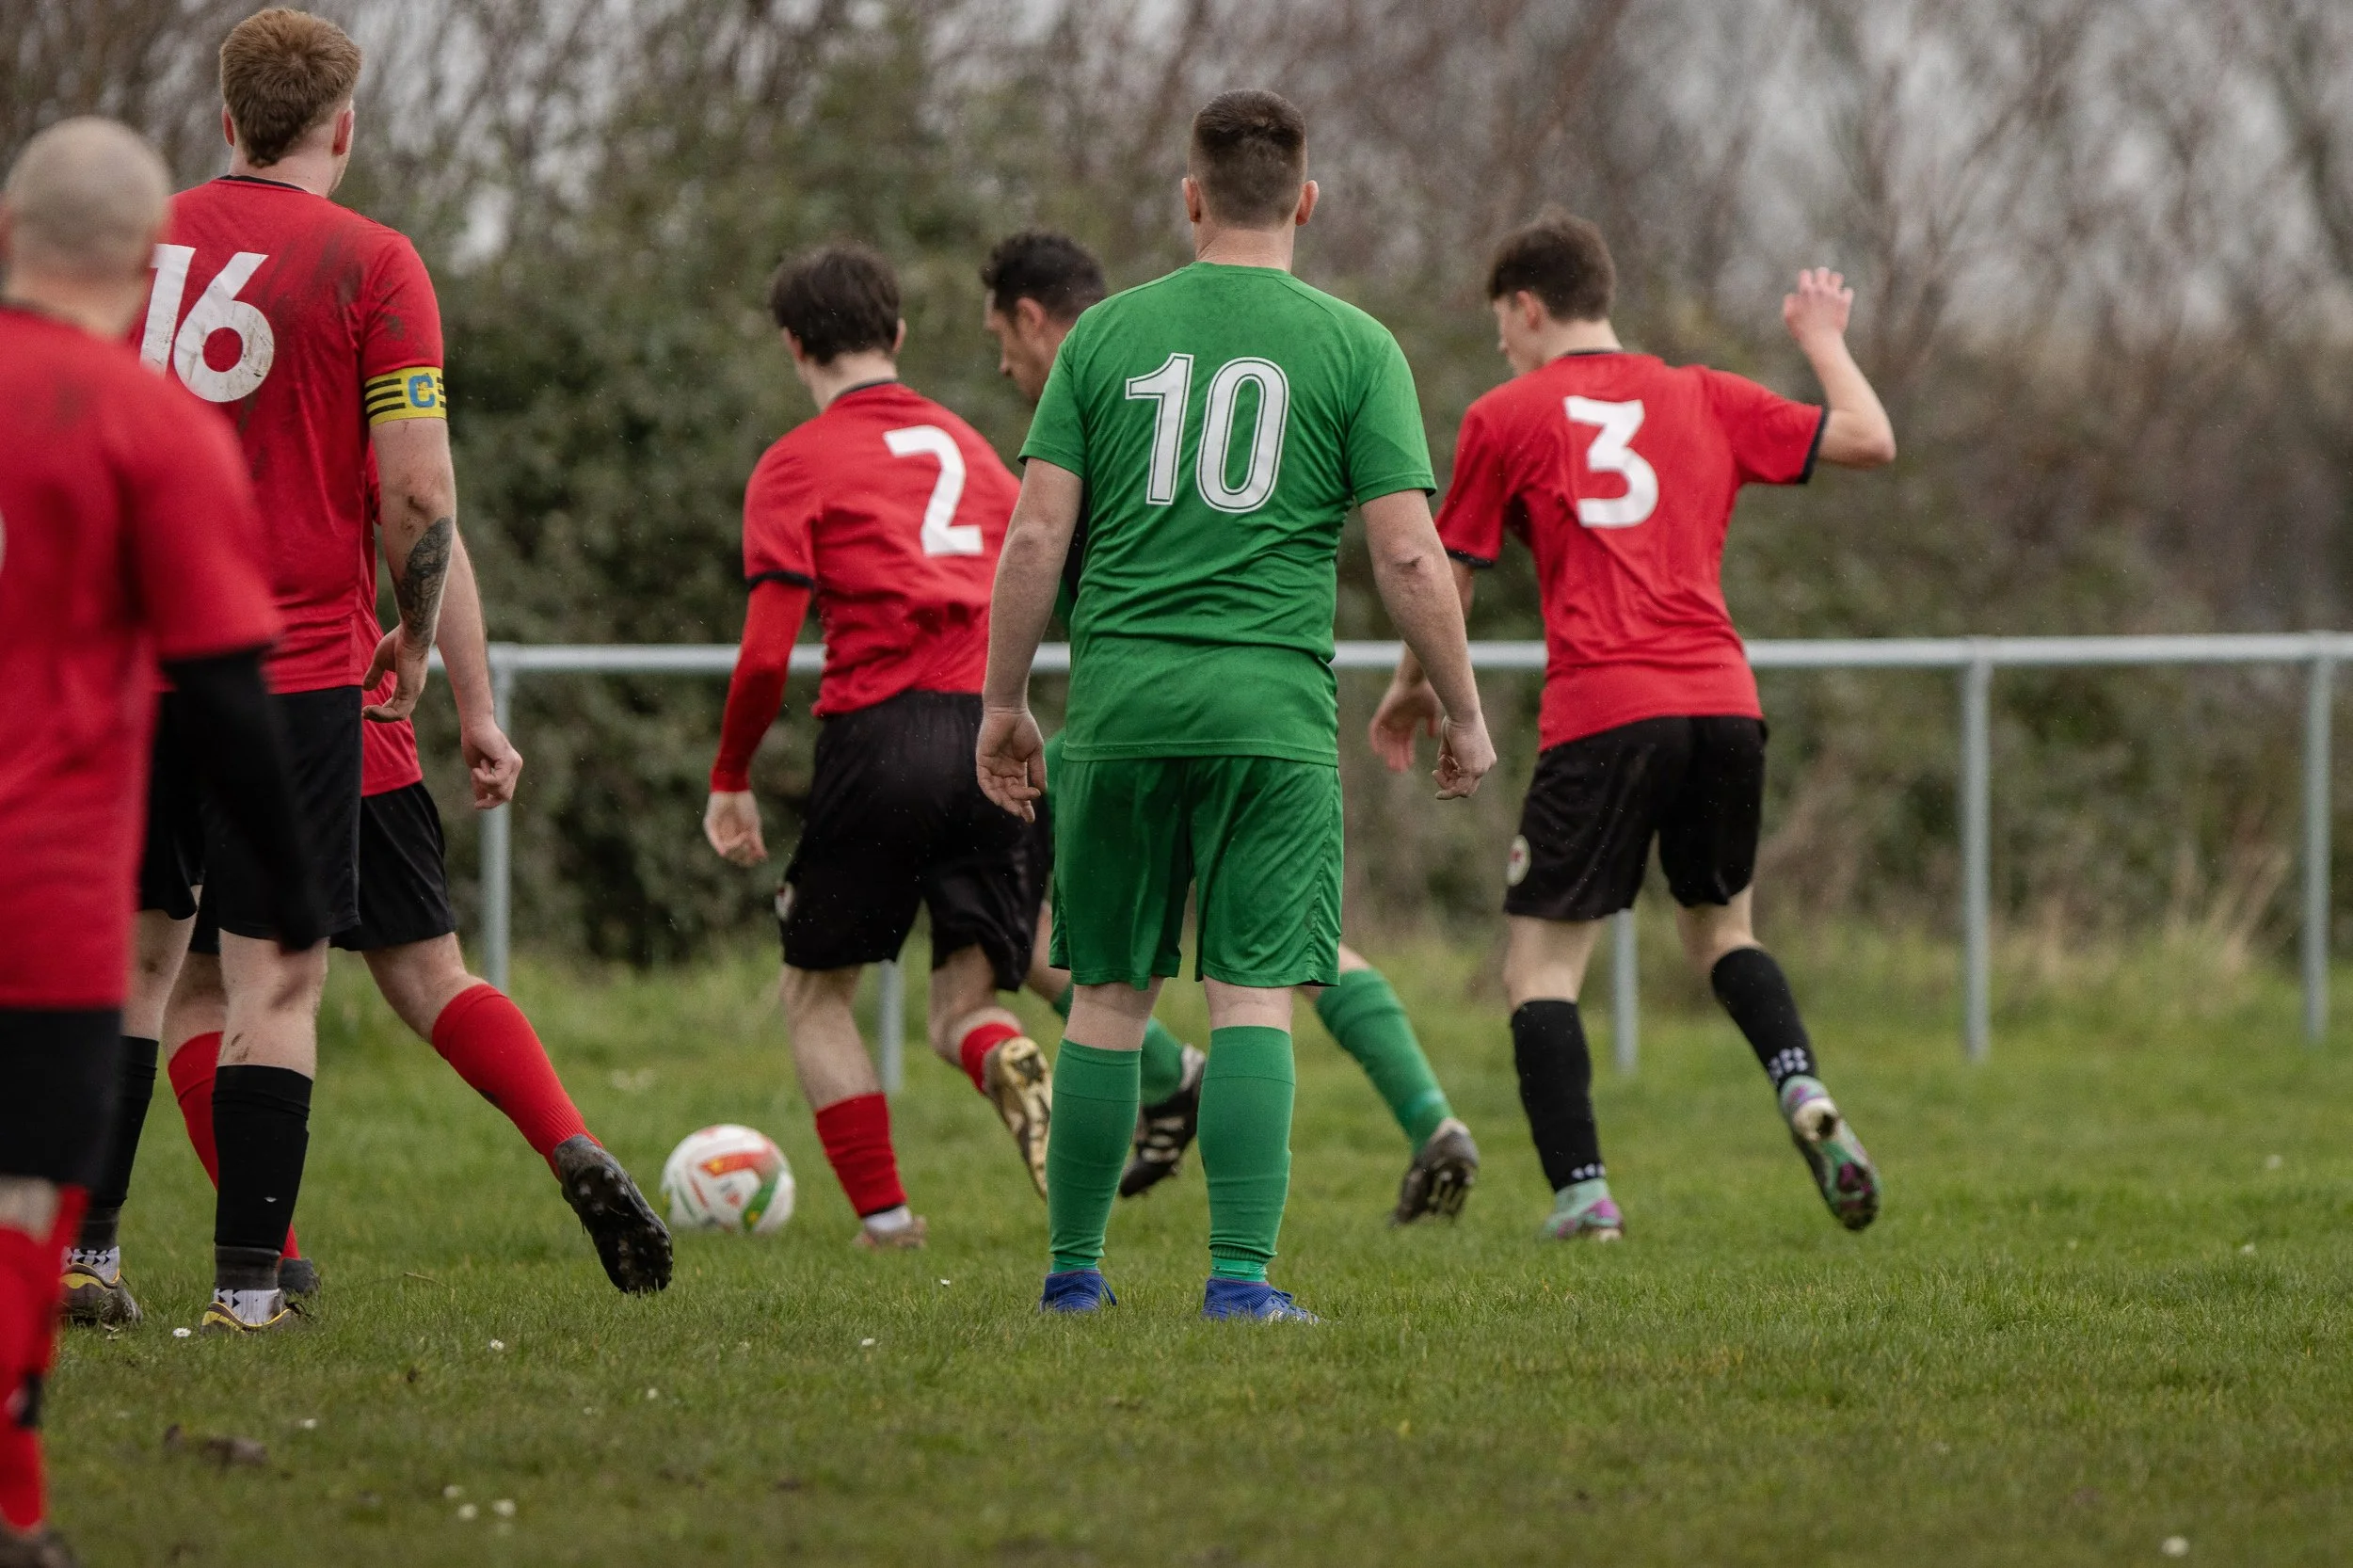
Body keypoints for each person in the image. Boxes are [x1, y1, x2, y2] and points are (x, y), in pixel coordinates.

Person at [978, 90, 1496, 1321]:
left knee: (1106, 990)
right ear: (1307, 200)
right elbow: (1412, 557)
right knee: (1253, 992)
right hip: (1268, 714)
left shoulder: (1103, 339)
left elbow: (1037, 533)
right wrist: (1462, 709)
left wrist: (1003, 700)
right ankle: (1239, 1283)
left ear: (1191, 197)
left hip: (1120, 706)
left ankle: (1074, 1277)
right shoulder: (1358, 345)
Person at [1373, 213, 1897, 1241]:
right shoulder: (1705, 395)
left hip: (1605, 709)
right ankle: (1799, 1088)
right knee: (1721, 933)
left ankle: (1583, 1197)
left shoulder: (1505, 415)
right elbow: (1871, 439)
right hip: (1724, 705)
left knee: (1539, 970)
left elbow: (1447, 577)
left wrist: (1415, 689)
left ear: (1527, 307)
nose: (1503, 349)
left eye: (1501, 329)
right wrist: (1823, 340)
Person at [76, 8, 457, 1336]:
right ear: (341, 127)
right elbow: (414, 491)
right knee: (275, 980)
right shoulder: (375, 262)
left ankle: (84, 1259)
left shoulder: (128, 244)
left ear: (227, 120)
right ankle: (246, 1288)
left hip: (128, 663)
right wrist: (410, 629)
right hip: (286, 668)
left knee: (128, 962)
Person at [0, 117, 323, 1568]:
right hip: (45, 871)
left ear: (10, 234)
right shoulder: (149, 429)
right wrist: (296, 878)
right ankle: (14, 1510)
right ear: (145, 262)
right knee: (23, 1182)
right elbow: (225, 691)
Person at [702, 243, 1053, 1249]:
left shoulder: (796, 463)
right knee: (965, 1001)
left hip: (880, 735)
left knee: (817, 994)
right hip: (992, 727)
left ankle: (888, 1219)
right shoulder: (978, 453)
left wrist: (730, 778)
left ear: (791, 345)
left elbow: (767, 655)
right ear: (897, 335)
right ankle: (1003, 1055)